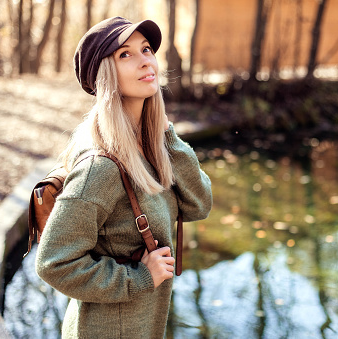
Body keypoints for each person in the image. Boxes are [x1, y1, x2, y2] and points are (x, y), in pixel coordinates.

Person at [35, 16, 212, 338]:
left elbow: (199, 205)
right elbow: (53, 264)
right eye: (125, 54)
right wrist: (139, 277)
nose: (146, 60)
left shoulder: (150, 149)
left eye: (146, 49)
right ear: (106, 75)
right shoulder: (100, 168)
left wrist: (167, 138)